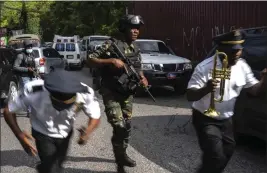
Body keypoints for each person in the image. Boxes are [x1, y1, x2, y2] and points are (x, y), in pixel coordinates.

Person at [186, 29, 267, 173]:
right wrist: (206, 88)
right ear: (221, 49)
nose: (237, 54)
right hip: (205, 118)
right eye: (233, 50)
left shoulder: (242, 66)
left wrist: (264, 80)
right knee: (215, 155)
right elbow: (190, 95)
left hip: (227, 119)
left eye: (239, 50)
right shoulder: (204, 67)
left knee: (227, 151)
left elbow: (254, 91)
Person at [3, 68, 101, 173]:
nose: (62, 108)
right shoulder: (33, 90)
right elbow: (8, 111)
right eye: (58, 103)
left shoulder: (85, 92)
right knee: (53, 169)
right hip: (42, 132)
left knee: (58, 163)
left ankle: (44, 167)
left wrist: (87, 132)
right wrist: (20, 136)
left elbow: (95, 115)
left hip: (65, 133)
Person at [87, 14, 148, 173]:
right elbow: (90, 59)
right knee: (119, 126)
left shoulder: (135, 48)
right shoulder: (111, 44)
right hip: (111, 92)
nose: (135, 31)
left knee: (126, 126)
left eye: (137, 29)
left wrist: (143, 78)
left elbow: (138, 66)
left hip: (127, 93)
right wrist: (110, 61)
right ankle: (120, 162)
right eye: (132, 28)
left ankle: (122, 154)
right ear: (124, 29)